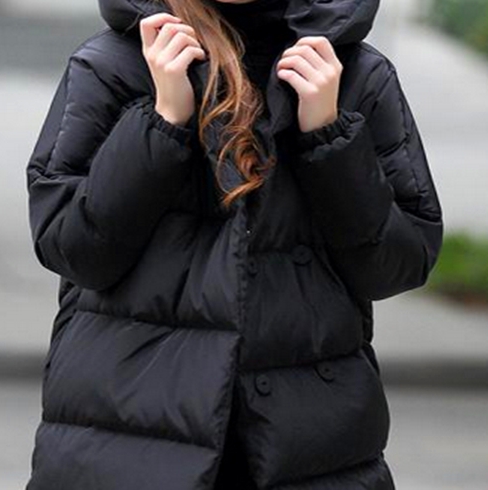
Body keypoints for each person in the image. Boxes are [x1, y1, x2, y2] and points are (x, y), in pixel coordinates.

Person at [25, 0, 443, 488]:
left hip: (306, 449)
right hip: (126, 441)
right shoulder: (113, 65)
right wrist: (163, 120)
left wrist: (328, 135)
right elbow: (72, 248)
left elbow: (399, 264)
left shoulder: (352, 73)